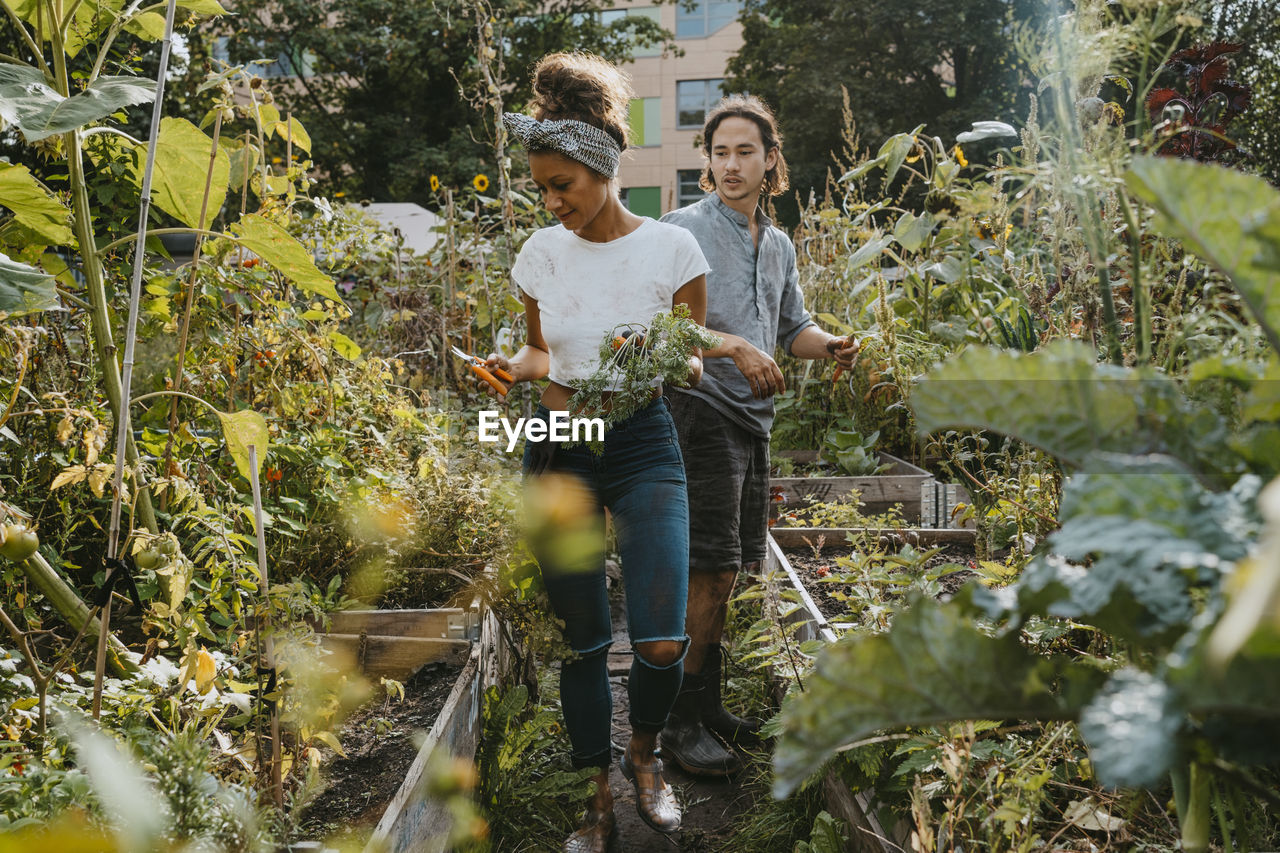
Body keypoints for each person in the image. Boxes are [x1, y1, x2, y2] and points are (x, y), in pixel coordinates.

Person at [475, 53, 711, 853]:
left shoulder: (673, 252)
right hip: (559, 441)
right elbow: (545, 357)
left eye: (561, 186)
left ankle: (646, 756)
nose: (550, 202)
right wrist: (513, 364)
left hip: (642, 438)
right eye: (540, 187)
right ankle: (597, 795)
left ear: (602, 171)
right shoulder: (541, 253)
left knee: (658, 638)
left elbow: (691, 359)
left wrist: (655, 352)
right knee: (582, 637)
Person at [658, 94, 859, 776]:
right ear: (707, 163)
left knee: (730, 567)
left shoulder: (776, 244)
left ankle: (707, 705)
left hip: (750, 421)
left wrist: (827, 344)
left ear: (771, 160)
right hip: (699, 409)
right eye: (720, 153)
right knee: (706, 566)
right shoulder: (682, 230)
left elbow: (789, 329)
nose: (732, 164)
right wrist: (734, 347)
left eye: (746, 151)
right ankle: (677, 724)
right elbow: (659, 325)